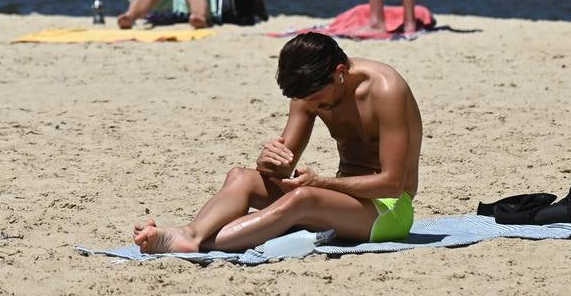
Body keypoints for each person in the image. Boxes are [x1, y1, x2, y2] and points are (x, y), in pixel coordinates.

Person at [133, 32, 423, 253]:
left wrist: (321, 183)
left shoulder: (386, 90)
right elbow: (282, 168)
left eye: (318, 103)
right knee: (240, 177)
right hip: (341, 203)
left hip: (389, 211)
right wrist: (268, 161)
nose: (313, 108)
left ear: (340, 74)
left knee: (304, 198)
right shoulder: (309, 93)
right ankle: (190, 234)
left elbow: (392, 184)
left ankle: (197, 242)